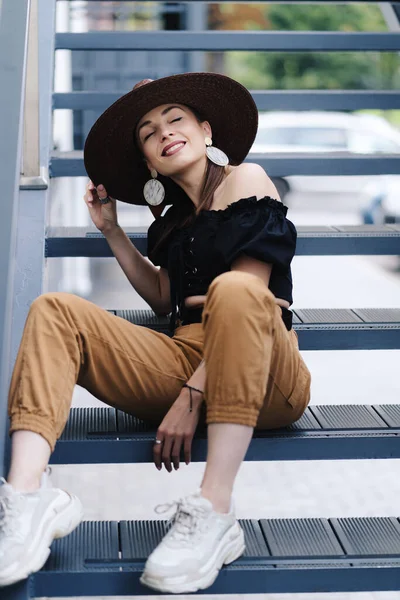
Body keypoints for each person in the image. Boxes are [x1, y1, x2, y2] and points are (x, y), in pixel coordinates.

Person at [0, 72, 311, 593]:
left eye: (175, 119)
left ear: (206, 131)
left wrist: (192, 397)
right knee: (55, 309)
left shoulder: (247, 180)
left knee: (233, 292)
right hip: (184, 355)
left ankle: (214, 511)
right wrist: (112, 231)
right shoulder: (168, 222)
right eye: (149, 132)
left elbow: (255, 295)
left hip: (265, 369)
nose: (164, 132)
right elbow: (165, 298)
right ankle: (27, 497)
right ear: (149, 162)